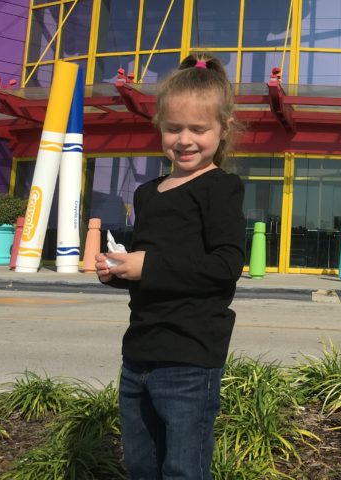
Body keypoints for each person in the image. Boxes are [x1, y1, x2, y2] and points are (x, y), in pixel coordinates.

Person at [96, 53, 246, 480]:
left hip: (190, 357)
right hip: (139, 351)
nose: (185, 139)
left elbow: (225, 265)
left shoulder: (221, 188)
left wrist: (149, 266)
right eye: (173, 128)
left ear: (223, 130)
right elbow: (147, 272)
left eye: (199, 129)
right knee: (142, 463)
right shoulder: (148, 193)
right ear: (159, 126)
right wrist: (118, 272)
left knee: (183, 468)